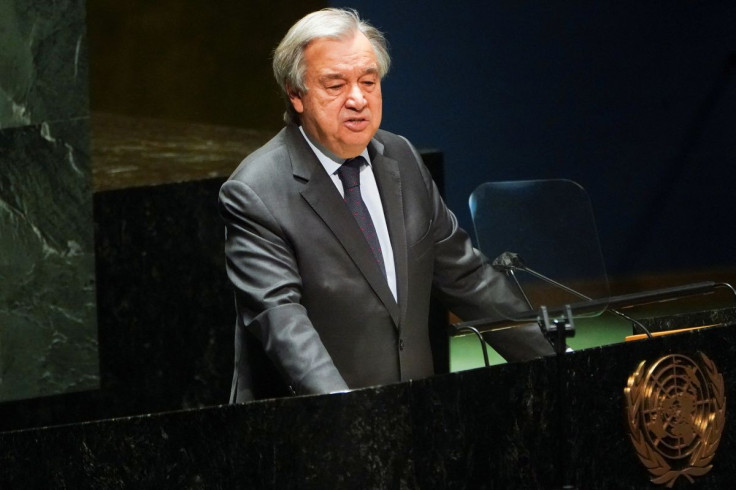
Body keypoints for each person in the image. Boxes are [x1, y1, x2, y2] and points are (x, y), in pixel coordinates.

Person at [219, 8, 554, 403]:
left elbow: (467, 280)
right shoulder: (256, 190)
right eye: (335, 85)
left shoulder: (402, 159)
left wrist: (558, 364)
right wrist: (349, 413)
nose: (357, 99)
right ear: (296, 95)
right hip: (312, 430)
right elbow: (281, 321)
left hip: (411, 418)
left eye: (368, 81)